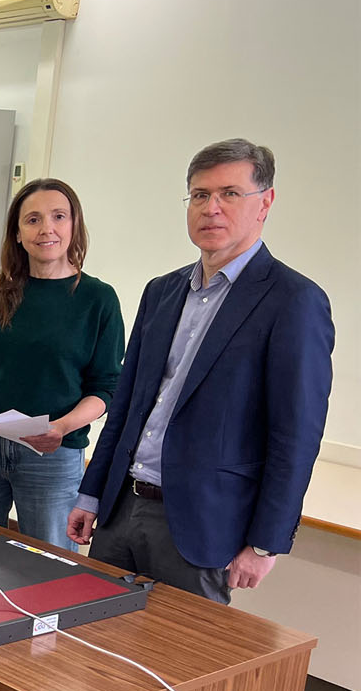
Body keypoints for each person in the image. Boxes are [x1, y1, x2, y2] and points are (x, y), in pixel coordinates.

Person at [68, 139, 333, 604]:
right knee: (95, 657)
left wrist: (265, 542)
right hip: (120, 510)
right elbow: (127, 405)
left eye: (230, 193)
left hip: (202, 528)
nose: (211, 208)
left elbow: (295, 436)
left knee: (179, 669)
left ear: (264, 202)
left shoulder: (293, 301)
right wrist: (91, 494)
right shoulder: (162, 291)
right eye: (199, 195)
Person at [0, 179, 124, 550]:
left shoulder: (98, 299)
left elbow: (106, 388)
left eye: (59, 216)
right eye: (32, 219)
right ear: (16, 232)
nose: (47, 228)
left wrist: (61, 427)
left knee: (49, 569)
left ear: (74, 225)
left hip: (53, 455)